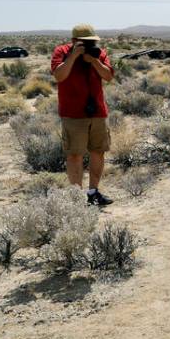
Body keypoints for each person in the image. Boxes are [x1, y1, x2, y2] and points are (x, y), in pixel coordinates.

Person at [51, 24, 115, 206]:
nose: (90, 45)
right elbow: (59, 76)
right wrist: (74, 56)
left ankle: (93, 192)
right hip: (73, 113)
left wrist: (94, 60)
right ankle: (77, 197)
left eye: (92, 42)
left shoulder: (98, 53)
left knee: (98, 151)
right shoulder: (61, 52)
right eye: (85, 43)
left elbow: (109, 76)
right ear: (73, 41)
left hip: (97, 112)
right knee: (74, 155)